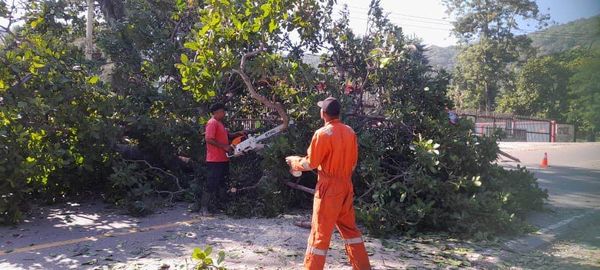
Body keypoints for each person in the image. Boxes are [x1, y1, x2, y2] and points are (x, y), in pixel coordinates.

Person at [286, 97, 371, 270]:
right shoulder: (350, 132)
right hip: (346, 186)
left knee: (320, 234)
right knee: (350, 231)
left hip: (328, 189)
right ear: (338, 113)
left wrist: (294, 162)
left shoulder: (322, 134)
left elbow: (311, 164)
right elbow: (353, 164)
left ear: (323, 113)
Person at [198, 102, 245, 215]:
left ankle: (220, 206)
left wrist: (237, 134)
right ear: (217, 112)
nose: (224, 113)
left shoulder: (219, 123)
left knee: (222, 183)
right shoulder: (212, 123)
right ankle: (203, 208)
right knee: (211, 183)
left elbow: (226, 136)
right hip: (214, 159)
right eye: (223, 111)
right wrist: (224, 146)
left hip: (223, 159)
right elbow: (209, 139)